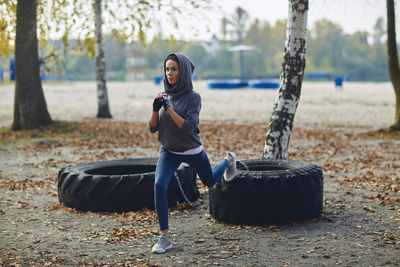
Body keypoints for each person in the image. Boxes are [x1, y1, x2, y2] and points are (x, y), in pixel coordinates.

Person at [147, 52, 236, 254]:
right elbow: (152, 128)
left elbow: (188, 127)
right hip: (168, 151)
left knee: (211, 181)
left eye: (174, 69)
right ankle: (165, 236)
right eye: (167, 69)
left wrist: (169, 109)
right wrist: (155, 109)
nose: (169, 73)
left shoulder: (193, 98)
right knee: (159, 185)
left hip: (192, 150)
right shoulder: (163, 94)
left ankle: (228, 159)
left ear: (183, 71)